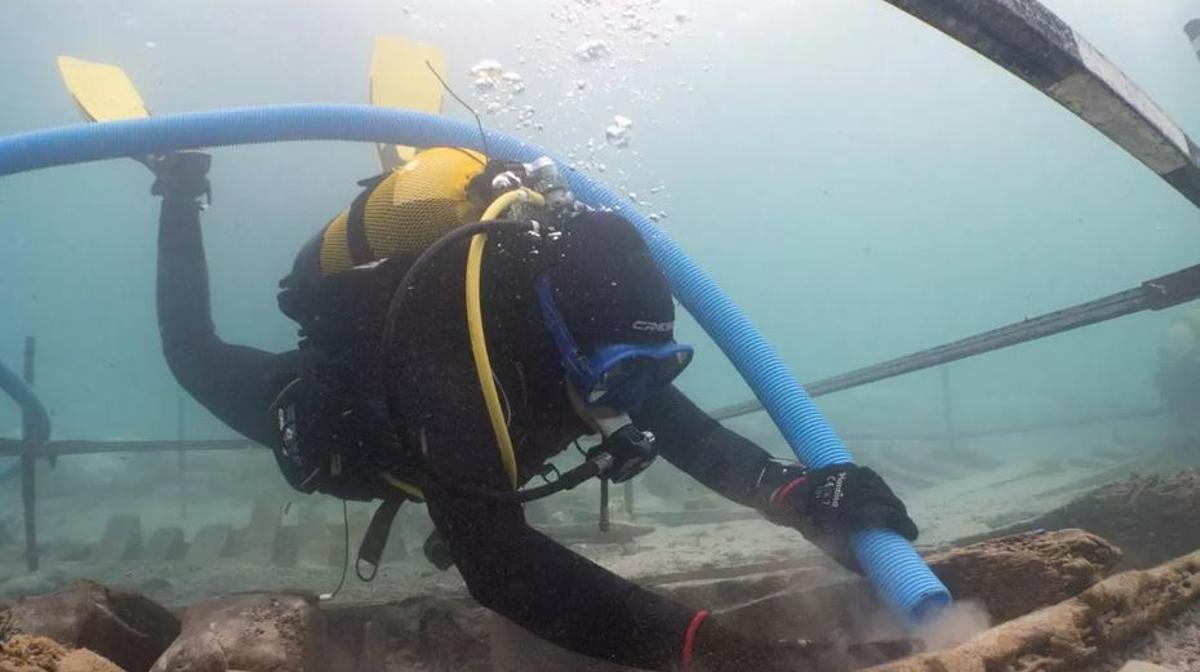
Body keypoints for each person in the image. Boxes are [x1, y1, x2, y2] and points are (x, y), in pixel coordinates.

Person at [148, 147, 919, 671]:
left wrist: (800, 493)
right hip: (347, 429)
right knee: (192, 355)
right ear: (558, 335)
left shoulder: (592, 331)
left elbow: (682, 426)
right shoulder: (454, 361)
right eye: (614, 376)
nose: (627, 402)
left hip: (470, 420)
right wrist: (718, 653)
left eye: (648, 369)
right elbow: (499, 566)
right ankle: (178, 188)